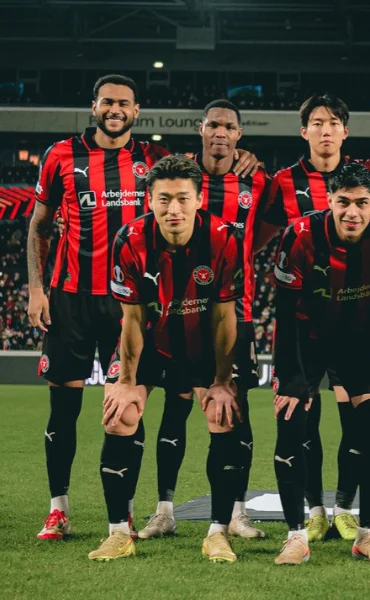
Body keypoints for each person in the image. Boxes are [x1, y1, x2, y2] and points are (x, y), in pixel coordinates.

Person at [27, 74, 169, 541]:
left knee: (129, 407)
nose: (115, 109)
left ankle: (123, 511)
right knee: (63, 408)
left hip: (129, 304)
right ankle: (58, 509)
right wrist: (36, 289)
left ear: (136, 109)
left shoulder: (153, 158)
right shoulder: (61, 155)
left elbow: (191, 192)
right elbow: (40, 225)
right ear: (94, 107)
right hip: (69, 299)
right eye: (107, 101)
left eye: (124, 103)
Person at [90, 155, 244, 562]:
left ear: (198, 200)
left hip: (202, 345)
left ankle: (218, 533)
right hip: (151, 340)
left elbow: (225, 316)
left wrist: (221, 380)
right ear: (149, 200)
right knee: (120, 415)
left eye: (182, 198)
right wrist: (126, 382)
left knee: (223, 414)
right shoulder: (129, 239)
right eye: (163, 199)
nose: (173, 208)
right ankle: (118, 533)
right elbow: (132, 319)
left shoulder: (224, 237)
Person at [270, 163, 370, 565]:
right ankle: (296, 537)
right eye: (343, 202)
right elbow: (284, 311)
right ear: (329, 200)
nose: (352, 212)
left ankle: (367, 535)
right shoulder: (301, 235)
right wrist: (292, 377)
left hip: (358, 342)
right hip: (305, 341)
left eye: (362, 203)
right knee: (292, 423)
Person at [137, 99, 269, 540]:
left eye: (228, 127)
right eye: (213, 125)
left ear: (238, 135)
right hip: (176, 310)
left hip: (235, 310)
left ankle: (236, 512)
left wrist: (243, 253)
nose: (220, 132)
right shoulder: (179, 173)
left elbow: (269, 226)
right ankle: (164, 510)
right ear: (201, 129)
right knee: (175, 407)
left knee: (234, 409)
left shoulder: (256, 179)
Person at [264, 93, 370, 542]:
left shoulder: (366, 176)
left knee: (357, 419)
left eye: (333, 122)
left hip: (355, 318)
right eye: (317, 122)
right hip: (305, 321)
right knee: (304, 418)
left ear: (345, 131)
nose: (325, 129)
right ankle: (314, 509)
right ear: (304, 131)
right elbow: (260, 236)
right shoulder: (282, 182)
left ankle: (345, 508)